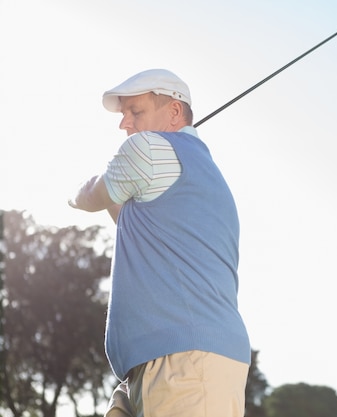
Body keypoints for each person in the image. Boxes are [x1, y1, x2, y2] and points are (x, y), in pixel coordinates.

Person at [69, 69, 251, 417]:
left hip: (185, 365)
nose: (125, 124)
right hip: (154, 368)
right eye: (124, 115)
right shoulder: (197, 176)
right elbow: (125, 216)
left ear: (173, 113)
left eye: (135, 112)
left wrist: (74, 195)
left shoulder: (150, 148)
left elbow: (94, 195)